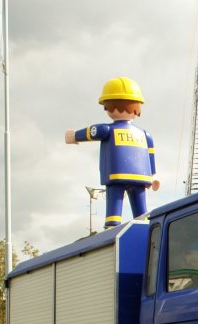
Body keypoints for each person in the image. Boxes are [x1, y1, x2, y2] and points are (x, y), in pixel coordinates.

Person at [65, 76, 160, 228]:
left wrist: (74, 135)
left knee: (114, 204)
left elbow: (92, 132)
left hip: (117, 176)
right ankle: (144, 226)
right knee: (141, 210)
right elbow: (151, 156)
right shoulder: (144, 135)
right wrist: (153, 175)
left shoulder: (107, 129)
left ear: (108, 105)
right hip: (141, 178)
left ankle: (112, 225)